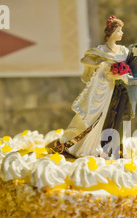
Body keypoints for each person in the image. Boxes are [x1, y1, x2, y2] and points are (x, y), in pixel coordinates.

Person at [51, 16, 129, 157]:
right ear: (111, 33)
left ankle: (93, 146)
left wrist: (119, 73)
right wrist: (103, 61)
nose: (121, 33)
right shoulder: (101, 49)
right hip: (99, 86)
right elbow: (85, 59)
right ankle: (79, 146)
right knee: (92, 115)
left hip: (111, 88)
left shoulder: (122, 50)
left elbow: (127, 69)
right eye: (118, 30)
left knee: (103, 115)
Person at [101, 17, 137, 157]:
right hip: (116, 87)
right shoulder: (131, 48)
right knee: (109, 115)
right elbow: (123, 63)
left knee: (121, 119)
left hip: (129, 92)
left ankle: (115, 150)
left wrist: (128, 78)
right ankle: (102, 145)